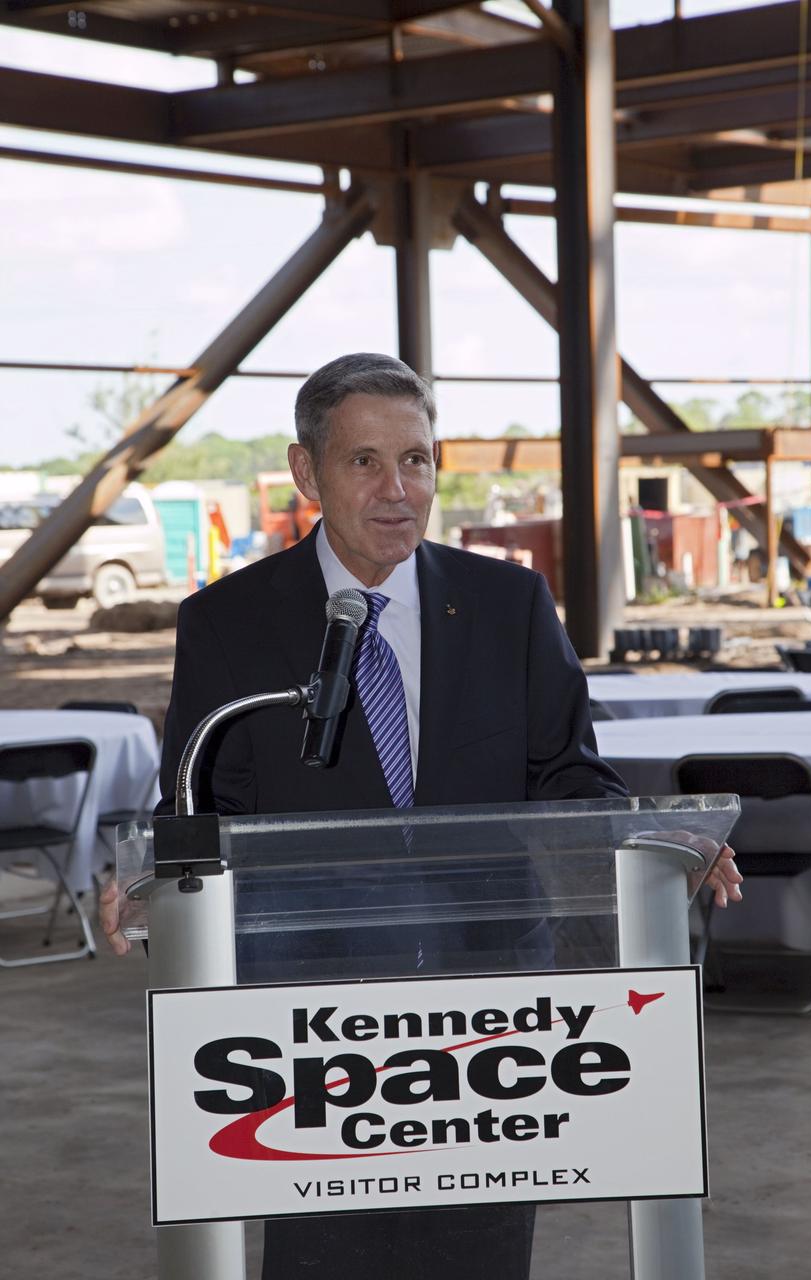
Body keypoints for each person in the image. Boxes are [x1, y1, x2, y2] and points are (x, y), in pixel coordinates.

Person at [101, 352, 742, 1277]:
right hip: (314, 1016)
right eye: (364, 462)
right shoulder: (228, 620)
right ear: (305, 471)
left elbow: (565, 772)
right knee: (327, 1250)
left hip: (492, 1016)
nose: (398, 489)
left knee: (479, 1248)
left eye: (417, 460)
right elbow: (206, 799)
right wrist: (149, 875)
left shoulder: (506, 602)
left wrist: (652, 841)